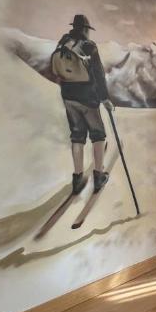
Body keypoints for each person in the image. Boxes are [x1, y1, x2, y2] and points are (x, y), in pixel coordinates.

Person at [57, 14, 113, 193]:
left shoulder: (63, 42)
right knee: (98, 135)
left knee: (77, 136)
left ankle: (77, 179)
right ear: (85, 29)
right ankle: (98, 176)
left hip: (68, 97)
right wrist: (105, 98)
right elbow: (98, 74)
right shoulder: (89, 46)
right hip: (88, 98)